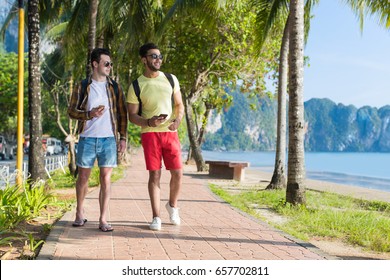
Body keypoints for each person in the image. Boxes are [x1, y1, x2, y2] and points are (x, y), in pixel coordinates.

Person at [68, 48, 127, 232]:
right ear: (95, 64)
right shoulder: (83, 86)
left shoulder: (115, 87)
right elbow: (71, 111)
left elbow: (123, 115)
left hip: (108, 140)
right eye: (106, 63)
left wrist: (123, 137)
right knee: (83, 178)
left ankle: (103, 219)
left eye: (110, 63)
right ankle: (79, 212)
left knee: (106, 179)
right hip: (87, 139)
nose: (109, 66)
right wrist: (89, 114)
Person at [127, 43, 184, 231]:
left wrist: (178, 120)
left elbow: (179, 105)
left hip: (170, 133)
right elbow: (132, 116)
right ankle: (156, 216)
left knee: (177, 172)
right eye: (153, 56)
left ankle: (173, 206)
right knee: (155, 174)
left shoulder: (170, 79)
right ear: (144, 60)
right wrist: (149, 122)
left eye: (160, 56)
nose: (158, 60)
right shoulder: (136, 85)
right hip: (150, 135)